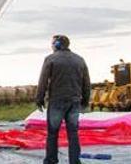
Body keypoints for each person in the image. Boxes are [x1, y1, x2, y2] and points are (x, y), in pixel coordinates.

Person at [36, 35, 90, 164]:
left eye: (53, 43)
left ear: (57, 44)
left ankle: (51, 160)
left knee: (53, 133)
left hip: (56, 101)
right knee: (73, 133)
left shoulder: (50, 59)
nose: (52, 46)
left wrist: (39, 98)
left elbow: (43, 81)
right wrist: (85, 101)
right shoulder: (80, 60)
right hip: (74, 101)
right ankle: (75, 161)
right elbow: (86, 83)